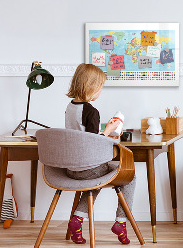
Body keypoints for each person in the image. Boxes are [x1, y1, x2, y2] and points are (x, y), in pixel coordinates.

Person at [65, 63, 135, 245]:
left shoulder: (70, 107)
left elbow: (82, 136)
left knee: (95, 180)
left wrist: (104, 131)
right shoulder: (91, 111)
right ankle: (121, 222)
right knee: (130, 176)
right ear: (92, 87)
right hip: (88, 168)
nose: (101, 91)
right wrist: (109, 131)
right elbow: (92, 143)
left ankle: (77, 220)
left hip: (71, 168)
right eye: (101, 87)